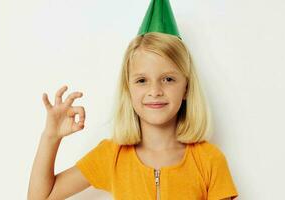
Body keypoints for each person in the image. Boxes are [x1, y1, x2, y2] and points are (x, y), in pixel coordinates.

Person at [28, 0, 238, 199]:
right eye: (142, 80)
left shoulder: (209, 160)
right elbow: (41, 197)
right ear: (128, 90)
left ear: (186, 88)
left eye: (168, 79)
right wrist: (51, 136)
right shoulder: (112, 155)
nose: (155, 90)